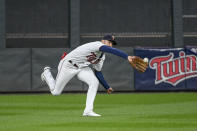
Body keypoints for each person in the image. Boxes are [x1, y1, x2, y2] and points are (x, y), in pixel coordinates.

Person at [41, 35, 134, 117]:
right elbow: (109, 49)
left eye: (112, 43)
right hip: (68, 65)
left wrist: (107, 87)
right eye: (109, 42)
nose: (111, 45)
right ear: (103, 41)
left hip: (82, 67)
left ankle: (88, 111)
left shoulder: (102, 57)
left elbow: (98, 72)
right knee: (55, 92)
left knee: (94, 82)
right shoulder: (97, 45)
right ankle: (47, 73)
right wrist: (126, 56)